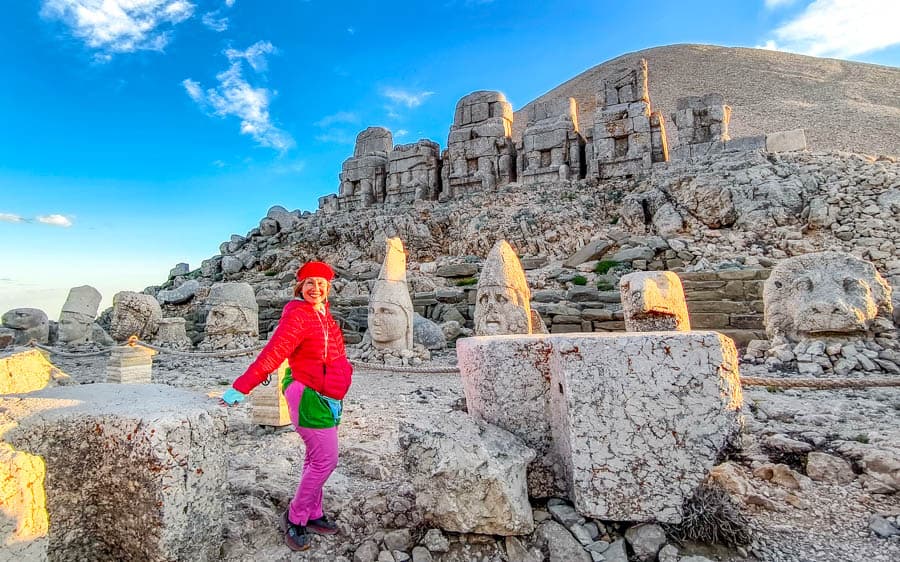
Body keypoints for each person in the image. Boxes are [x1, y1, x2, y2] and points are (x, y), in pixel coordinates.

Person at [220, 261, 353, 551]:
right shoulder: (299, 317)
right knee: (326, 461)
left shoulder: (323, 314)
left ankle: (313, 513)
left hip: (326, 396)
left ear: (328, 288)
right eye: (309, 283)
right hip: (309, 397)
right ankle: (295, 517)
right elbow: (273, 354)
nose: (315, 288)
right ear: (299, 286)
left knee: (314, 459)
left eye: (321, 283)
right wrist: (240, 389)